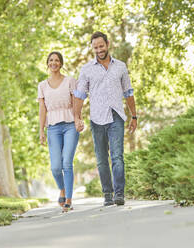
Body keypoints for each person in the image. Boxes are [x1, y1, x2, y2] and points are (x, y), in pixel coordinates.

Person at [74, 31, 137, 206]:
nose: (99, 49)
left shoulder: (121, 67)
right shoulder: (86, 69)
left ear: (108, 44)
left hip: (116, 115)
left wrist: (134, 115)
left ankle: (119, 194)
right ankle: (107, 194)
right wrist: (77, 117)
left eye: (101, 46)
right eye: (96, 47)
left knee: (117, 156)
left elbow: (128, 92)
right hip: (96, 118)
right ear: (92, 48)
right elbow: (79, 95)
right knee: (101, 159)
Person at [38, 51, 80, 212]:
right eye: (51, 60)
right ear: (48, 63)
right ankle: (61, 189)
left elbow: (76, 102)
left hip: (70, 125)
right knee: (56, 167)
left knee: (67, 163)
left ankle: (68, 199)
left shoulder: (70, 81)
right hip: (53, 128)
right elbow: (42, 109)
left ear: (61, 64)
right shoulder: (42, 86)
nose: (54, 62)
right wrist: (41, 130)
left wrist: (78, 119)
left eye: (57, 60)